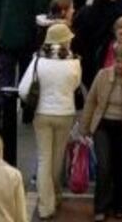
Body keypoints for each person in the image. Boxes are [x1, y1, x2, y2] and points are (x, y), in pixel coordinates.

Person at [18, 24, 81, 220]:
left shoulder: (38, 61)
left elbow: (23, 89)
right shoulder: (74, 62)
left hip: (42, 113)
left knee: (44, 158)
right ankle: (56, 194)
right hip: (65, 113)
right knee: (57, 158)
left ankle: (46, 205)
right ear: (65, 40)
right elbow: (76, 85)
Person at [81, 44, 122, 220]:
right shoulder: (102, 76)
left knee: (121, 169)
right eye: (117, 61)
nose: (120, 65)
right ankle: (100, 207)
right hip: (103, 125)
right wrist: (84, 127)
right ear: (113, 60)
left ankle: (119, 205)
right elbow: (91, 101)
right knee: (104, 166)